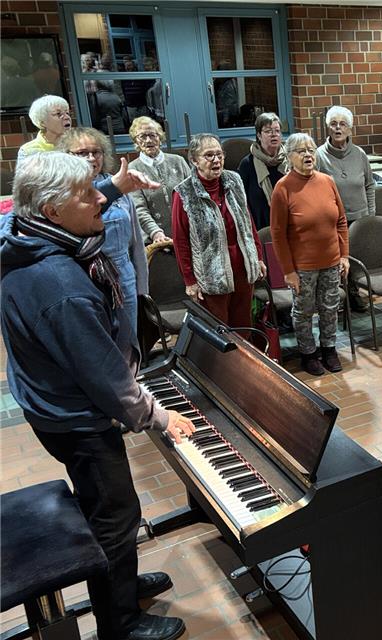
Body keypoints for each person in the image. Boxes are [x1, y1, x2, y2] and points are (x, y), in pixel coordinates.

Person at [1, 152, 195, 640]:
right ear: (50, 210)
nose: (99, 202)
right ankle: (120, 621)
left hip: (46, 401)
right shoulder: (61, 287)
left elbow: (76, 206)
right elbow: (106, 378)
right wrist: (158, 415)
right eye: (87, 194)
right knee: (117, 512)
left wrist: (115, 186)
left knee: (101, 503)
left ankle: (119, 583)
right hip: (75, 418)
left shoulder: (20, 234)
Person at [270, 133, 349, 376]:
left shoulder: (327, 181)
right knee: (303, 312)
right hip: (302, 267)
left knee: (329, 307)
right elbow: (278, 235)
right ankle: (308, 353)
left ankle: (329, 348)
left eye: (311, 150)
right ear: (290, 155)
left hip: (331, 261)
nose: (308, 155)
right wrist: (288, 271)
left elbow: (342, 221)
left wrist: (344, 255)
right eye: (301, 151)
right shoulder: (282, 188)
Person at [58, 127, 148, 333]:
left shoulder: (121, 187)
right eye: (82, 153)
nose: (91, 158)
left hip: (124, 276)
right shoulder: (64, 193)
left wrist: (142, 288)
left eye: (96, 152)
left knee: (128, 339)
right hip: (87, 278)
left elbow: (137, 244)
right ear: (66, 156)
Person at [172, 134, 265, 330]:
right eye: (208, 155)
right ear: (194, 160)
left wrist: (257, 257)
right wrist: (190, 280)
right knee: (219, 331)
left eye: (219, 154)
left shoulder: (234, 180)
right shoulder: (184, 193)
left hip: (243, 269)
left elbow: (248, 223)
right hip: (211, 275)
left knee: (243, 328)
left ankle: (241, 361)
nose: (216, 160)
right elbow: (180, 241)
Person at [315, 106, 374, 311]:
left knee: (356, 258)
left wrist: (371, 214)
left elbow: (369, 185)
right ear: (327, 128)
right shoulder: (318, 156)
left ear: (350, 129)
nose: (338, 128)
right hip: (333, 221)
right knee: (335, 261)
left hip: (359, 217)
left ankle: (353, 292)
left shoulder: (359, 154)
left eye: (343, 124)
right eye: (333, 124)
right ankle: (339, 296)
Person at [128, 116, 191, 244]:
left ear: (160, 138)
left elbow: (193, 195)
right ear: (136, 141)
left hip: (187, 233)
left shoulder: (178, 161)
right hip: (155, 240)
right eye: (142, 136)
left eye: (152, 135)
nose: (148, 140)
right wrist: (156, 233)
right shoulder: (133, 168)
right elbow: (139, 208)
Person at [237, 112, 288, 230]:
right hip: (261, 229)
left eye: (277, 131)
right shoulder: (247, 164)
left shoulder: (290, 159)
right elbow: (241, 201)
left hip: (289, 226)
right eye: (268, 131)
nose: (273, 135)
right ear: (259, 135)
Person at [17, 94, 72, 162]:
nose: (67, 117)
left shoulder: (79, 144)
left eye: (67, 113)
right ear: (42, 122)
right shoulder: (28, 151)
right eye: (58, 114)